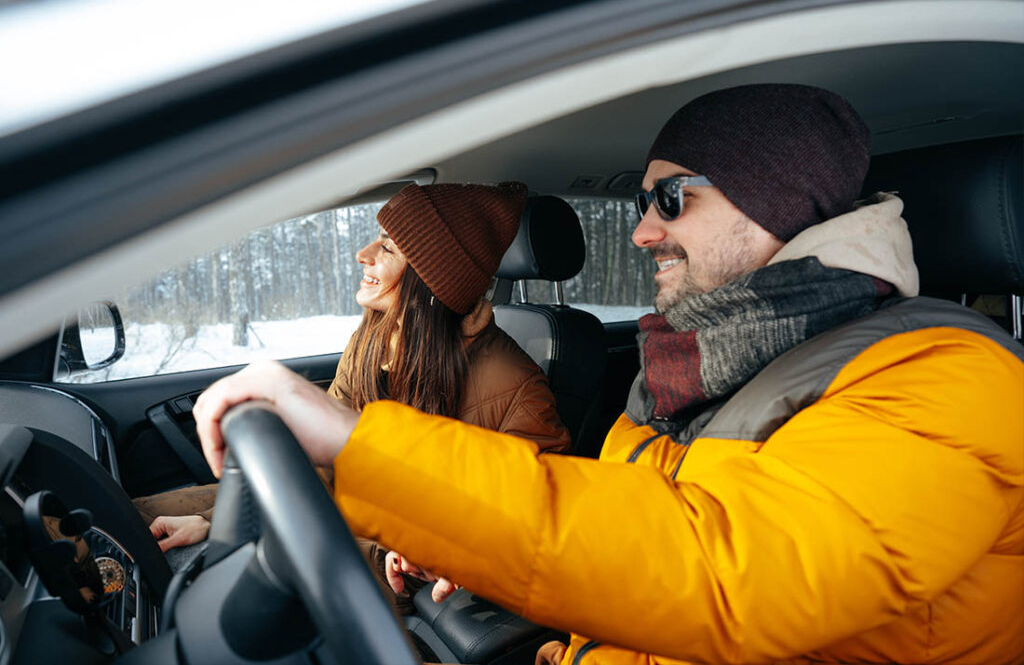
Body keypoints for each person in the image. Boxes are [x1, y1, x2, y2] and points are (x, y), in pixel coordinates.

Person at [191, 85, 1023, 665]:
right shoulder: (689, 367)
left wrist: (357, 443)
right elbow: (626, 540)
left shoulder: (953, 379)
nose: (641, 236)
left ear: (775, 198)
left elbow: (719, 571)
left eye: (672, 200)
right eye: (639, 205)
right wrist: (473, 551)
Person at [136, 181, 570, 607]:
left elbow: (536, 522)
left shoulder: (517, 387)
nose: (363, 255)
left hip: (397, 568)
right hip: (327, 510)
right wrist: (216, 522)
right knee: (130, 521)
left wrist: (433, 549)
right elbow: (321, 462)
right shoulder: (371, 341)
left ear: (431, 281)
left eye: (388, 248)